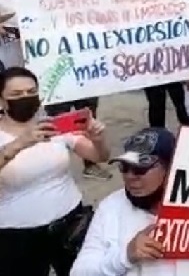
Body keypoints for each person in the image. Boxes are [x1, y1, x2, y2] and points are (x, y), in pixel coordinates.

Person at [70, 128, 189, 275]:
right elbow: (79, 272)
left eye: (140, 169)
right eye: (124, 167)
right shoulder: (111, 208)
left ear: (171, 169)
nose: (130, 177)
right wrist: (125, 255)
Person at [0, 66, 110, 276]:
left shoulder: (54, 126)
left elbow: (99, 156)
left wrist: (98, 139)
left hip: (70, 224)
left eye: (31, 92)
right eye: (16, 94)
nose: (25, 97)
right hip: (18, 236)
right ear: (2, 100)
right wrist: (19, 144)